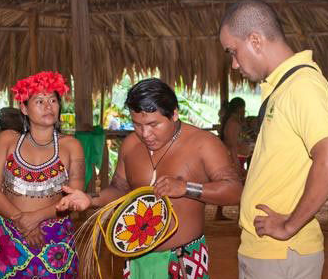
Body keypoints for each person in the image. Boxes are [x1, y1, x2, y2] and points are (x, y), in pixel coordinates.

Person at [57, 78, 243, 278]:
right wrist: (91, 199)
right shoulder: (130, 145)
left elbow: (234, 191)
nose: (145, 134)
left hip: (183, 259)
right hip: (136, 259)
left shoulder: (204, 144)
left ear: (174, 114)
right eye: (137, 125)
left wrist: (186, 188)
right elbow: (119, 189)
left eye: (153, 124)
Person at [219, 0, 328, 279]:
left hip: (282, 253)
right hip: (267, 252)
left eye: (233, 52)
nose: (234, 63)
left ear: (255, 40)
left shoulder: (302, 85)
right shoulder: (283, 87)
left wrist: (289, 225)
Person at [0, 71, 83, 278]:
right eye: (39, 101)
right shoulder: (7, 140)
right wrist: (21, 220)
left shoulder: (71, 146)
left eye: (53, 100)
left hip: (55, 237)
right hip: (13, 233)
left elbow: (74, 198)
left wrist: (35, 218)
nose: (48, 106)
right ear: (24, 107)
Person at [215, 97, 251, 220]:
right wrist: (236, 163)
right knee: (241, 186)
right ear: (240, 108)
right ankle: (241, 215)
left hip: (233, 156)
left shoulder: (232, 121)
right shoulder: (233, 123)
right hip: (234, 157)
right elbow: (232, 145)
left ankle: (220, 213)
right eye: (243, 108)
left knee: (229, 184)